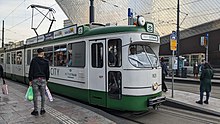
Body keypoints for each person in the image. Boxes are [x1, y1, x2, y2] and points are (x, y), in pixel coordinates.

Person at [29, 48, 50, 116]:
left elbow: (31, 70)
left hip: (35, 79)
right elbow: (47, 72)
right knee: (43, 95)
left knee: (35, 95)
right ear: (43, 53)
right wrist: (47, 79)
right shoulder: (46, 61)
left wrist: (30, 80)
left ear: (37, 53)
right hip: (43, 79)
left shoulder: (34, 60)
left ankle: (35, 111)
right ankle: (42, 109)